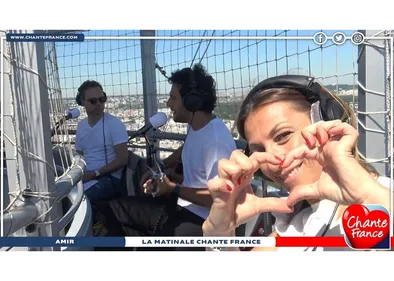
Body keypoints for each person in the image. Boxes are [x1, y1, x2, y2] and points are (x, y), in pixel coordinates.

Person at [202, 74, 391, 251]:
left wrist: (368, 197)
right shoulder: (290, 228)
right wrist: (219, 232)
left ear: (325, 121)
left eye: (283, 136)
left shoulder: (383, 193)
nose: (272, 161)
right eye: (259, 150)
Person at [95, 63, 237, 250]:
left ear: (191, 101)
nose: (169, 104)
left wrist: (172, 188)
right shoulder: (196, 125)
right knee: (109, 209)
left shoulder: (216, 142)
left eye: (172, 97)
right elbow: (187, 146)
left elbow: (219, 200)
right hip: (180, 206)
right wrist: (160, 167)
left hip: (200, 222)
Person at [75, 80, 129, 203]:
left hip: (110, 178)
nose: (99, 104)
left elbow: (122, 159)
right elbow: (78, 154)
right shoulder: (81, 126)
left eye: (102, 99)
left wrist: (94, 174)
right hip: (87, 176)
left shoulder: (115, 124)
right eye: (93, 101)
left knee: (80, 202)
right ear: (82, 102)